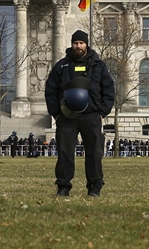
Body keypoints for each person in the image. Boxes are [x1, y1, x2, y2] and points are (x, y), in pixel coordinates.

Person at [44, 30, 115, 197]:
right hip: (66, 116)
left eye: (81, 43)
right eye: (75, 43)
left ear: (86, 44)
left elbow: (109, 90)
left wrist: (102, 112)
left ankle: (95, 186)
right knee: (64, 152)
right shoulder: (61, 65)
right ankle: (63, 186)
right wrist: (56, 114)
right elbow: (50, 90)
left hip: (92, 116)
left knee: (94, 153)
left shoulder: (99, 65)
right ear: (72, 44)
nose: (78, 46)